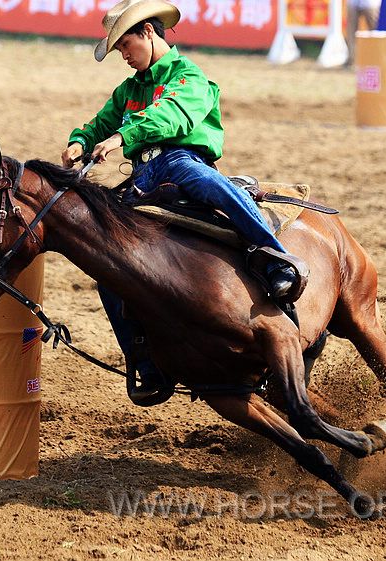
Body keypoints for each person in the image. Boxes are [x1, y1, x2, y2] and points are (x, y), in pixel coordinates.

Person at [61, 0, 308, 406]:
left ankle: (275, 258)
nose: (123, 56)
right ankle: (144, 362)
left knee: (207, 183)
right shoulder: (127, 91)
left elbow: (172, 116)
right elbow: (99, 123)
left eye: (124, 45)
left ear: (147, 33)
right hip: (143, 179)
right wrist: (80, 141)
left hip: (180, 162)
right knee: (106, 263)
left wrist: (123, 138)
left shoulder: (189, 76)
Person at [346, 0, 382, 65]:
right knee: (351, 31)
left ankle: (377, 57)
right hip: (353, 2)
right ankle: (351, 59)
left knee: (375, 31)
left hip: (370, 3)